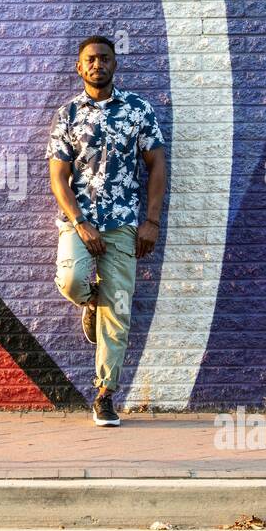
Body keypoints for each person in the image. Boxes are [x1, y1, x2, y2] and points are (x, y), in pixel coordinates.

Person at [47, 36, 167, 427]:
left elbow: (157, 166)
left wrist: (151, 221)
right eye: (90, 60)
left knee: (117, 310)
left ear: (115, 64)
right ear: (80, 68)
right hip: (79, 222)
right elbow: (58, 178)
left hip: (124, 225)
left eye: (104, 58)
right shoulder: (67, 115)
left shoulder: (138, 110)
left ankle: (104, 394)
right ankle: (89, 301)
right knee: (70, 280)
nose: (97, 64)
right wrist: (80, 224)